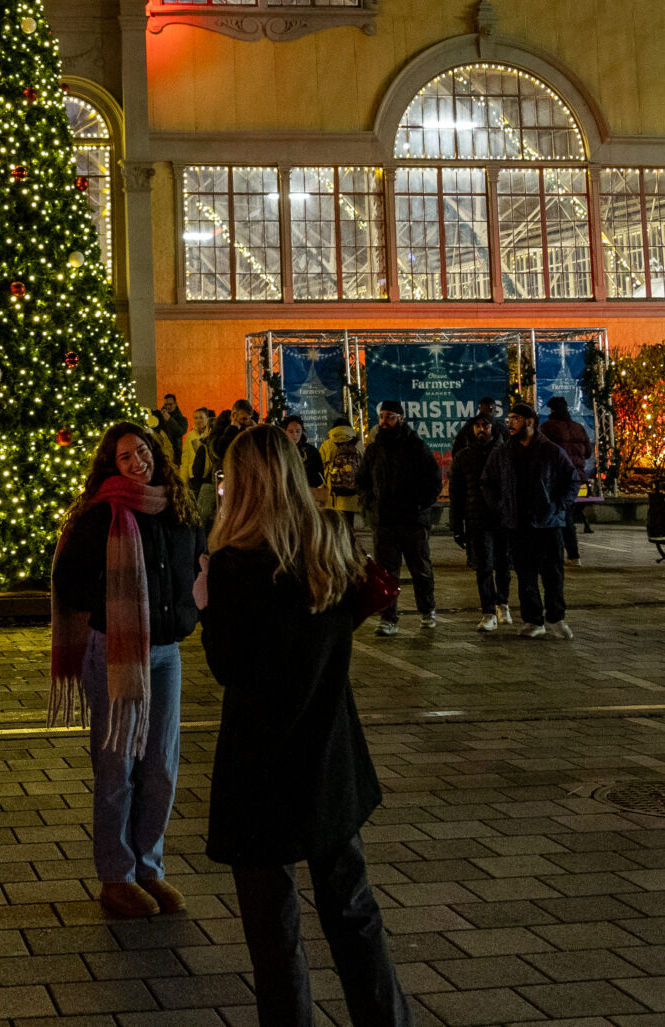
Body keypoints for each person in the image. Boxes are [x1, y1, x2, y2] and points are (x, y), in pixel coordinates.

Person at [200, 423, 408, 1027]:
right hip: (328, 753)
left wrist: (207, 606)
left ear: (240, 483)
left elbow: (228, 666)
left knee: (274, 929)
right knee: (353, 909)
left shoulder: (235, 565)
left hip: (261, 764)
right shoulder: (328, 543)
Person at [51, 422, 200, 918]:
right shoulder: (100, 516)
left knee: (161, 765)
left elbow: (194, 571)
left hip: (165, 654)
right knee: (117, 766)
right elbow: (68, 581)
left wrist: (187, 615)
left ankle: (149, 868)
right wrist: (113, 606)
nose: (138, 463)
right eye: (125, 458)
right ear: (111, 466)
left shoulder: (176, 508)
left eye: (142, 452)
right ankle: (116, 875)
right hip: (111, 652)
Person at [485, 403, 580, 639]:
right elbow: (487, 482)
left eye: (516, 418)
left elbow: (572, 481)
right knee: (525, 574)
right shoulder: (503, 452)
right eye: (509, 418)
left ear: (530, 422)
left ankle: (556, 618)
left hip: (547, 524)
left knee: (553, 574)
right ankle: (532, 620)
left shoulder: (551, 451)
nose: (510, 423)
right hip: (517, 524)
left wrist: (557, 505)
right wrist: (500, 507)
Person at [360, 403, 440, 635]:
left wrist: (418, 504)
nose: (385, 421)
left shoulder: (416, 447)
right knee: (386, 573)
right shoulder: (374, 450)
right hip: (384, 522)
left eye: (390, 417)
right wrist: (370, 505)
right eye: (382, 417)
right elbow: (363, 480)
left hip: (412, 521)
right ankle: (388, 618)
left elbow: (433, 480)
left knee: (420, 568)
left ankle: (427, 610)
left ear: (401, 419)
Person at [448, 407, 510, 632]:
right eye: (478, 426)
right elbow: (456, 493)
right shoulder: (464, 456)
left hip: (502, 518)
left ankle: (502, 602)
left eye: (485, 425)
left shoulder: (505, 453)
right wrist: (456, 525)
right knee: (483, 567)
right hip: (477, 519)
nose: (481, 429)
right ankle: (488, 611)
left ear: (493, 427)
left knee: (503, 564)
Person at [539, 398, 595, 563]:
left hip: (559, 478)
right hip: (579, 480)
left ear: (552, 411)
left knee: (564, 516)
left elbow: (544, 451)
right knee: (569, 514)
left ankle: (571, 553)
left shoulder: (548, 428)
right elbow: (588, 453)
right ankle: (572, 554)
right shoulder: (578, 428)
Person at [317, 418, 366, 552]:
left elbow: (320, 467)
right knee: (349, 527)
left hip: (332, 496)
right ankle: (349, 553)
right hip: (352, 495)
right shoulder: (358, 444)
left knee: (333, 528)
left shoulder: (328, 444)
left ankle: (335, 554)